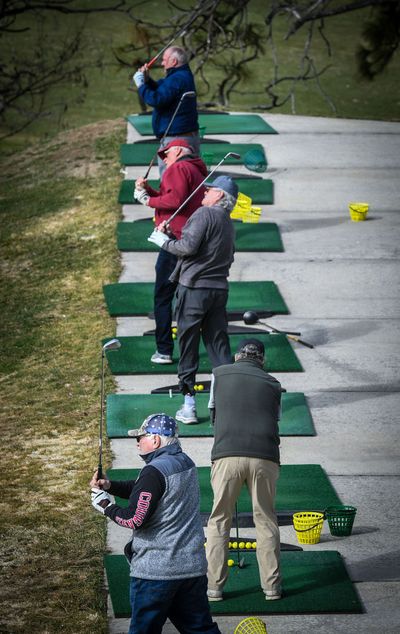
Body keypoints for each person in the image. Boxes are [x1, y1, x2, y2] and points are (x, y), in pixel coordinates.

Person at [90, 413, 220, 634]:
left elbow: (134, 519)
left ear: (155, 440)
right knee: (201, 630)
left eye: (141, 437)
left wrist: (104, 505)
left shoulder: (153, 471)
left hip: (156, 574)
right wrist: (110, 486)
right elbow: (147, 490)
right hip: (191, 570)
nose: (137, 442)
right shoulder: (185, 462)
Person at [148, 175, 238, 424]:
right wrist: (173, 239)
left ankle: (188, 406)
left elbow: (187, 247)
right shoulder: (229, 223)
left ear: (219, 195)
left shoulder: (204, 214)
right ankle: (228, 405)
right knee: (219, 347)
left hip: (194, 289)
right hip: (219, 291)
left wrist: (164, 241)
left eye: (209, 191)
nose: (204, 194)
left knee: (188, 345)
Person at [205, 338, 282, 602]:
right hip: (265, 458)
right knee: (266, 519)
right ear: (262, 360)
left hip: (227, 455)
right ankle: (271, 588)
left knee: (219, 521)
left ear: (238, 356)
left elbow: (213, 416)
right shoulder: (274, 384)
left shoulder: (219, 374)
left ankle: (214, 588)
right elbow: (275, 420)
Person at [134, 138, 207, 364]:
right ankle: (191, 351)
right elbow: (176, 198)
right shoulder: (194, 168)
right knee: (187, 297)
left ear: (177, 150)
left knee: (163, 297)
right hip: (191, 238)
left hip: (174, 239)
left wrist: (147, 201)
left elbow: (174, 201)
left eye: (166, 154)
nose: (164, 159)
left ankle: (164, 350)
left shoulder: (177, 167)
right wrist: (150, 191)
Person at [133, 46, 200, 176]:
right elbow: (162, 89)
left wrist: (141, 85)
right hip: (183, 136)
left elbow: (157, 99)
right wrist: (147, 80)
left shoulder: (177, 78)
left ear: (173, 62)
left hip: (176, 139)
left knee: (171, 180)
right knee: (185, 180)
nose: (162, 63)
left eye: (164, 60)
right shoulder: (181, 75)